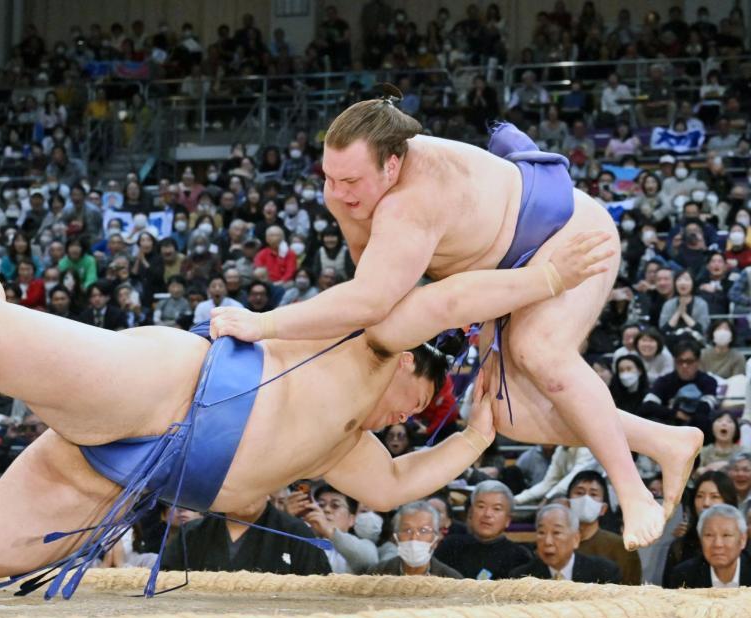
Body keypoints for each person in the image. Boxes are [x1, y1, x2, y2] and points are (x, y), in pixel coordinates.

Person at [0, 172, 606, 598]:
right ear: (413, 366)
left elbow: (396, 489)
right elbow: (454, 297)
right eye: (420, 401)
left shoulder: (346, 445)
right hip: (167, 388)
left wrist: (472, 435)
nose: (406, 418)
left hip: (130, 473)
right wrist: (542, 279)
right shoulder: (369, 334)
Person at [210, 95, 702, 550]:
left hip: (567, 236)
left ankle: (634, 491)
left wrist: (265, 324)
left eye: (351, 181)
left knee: (539, 350)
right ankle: (665, 441)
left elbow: (371, 299)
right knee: (506, 412)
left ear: (393, 164)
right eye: (329, 177)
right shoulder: (353, 193)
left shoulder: (413, 201)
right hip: (496, 274)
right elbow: (376, 284)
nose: (336, 192)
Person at [159, 494, 330, 575]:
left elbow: (321, 592)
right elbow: (165, 585)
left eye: (257, 482)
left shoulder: (296, 533)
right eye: (242, 483)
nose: (249, 492)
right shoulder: (191, 534)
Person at [435, 481, 532, 580]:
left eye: (496, 509)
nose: (487, 514)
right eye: (481, 506)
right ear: (471, 512)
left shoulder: (519, 556)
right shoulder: (450, 546)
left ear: (508, 520)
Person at [511, 504, 621, 583]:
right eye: (541, 532)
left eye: (556, 533)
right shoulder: (521, 578)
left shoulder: (603, 573)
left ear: (575, 539)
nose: (548, 542)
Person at [662, 470, 737, 585]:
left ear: (728, 501)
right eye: (700, 496)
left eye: (714, 496)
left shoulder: (743, 546)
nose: (706, 503)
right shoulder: (679, 547)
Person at [566, 470, 641, 584]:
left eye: (593, 494)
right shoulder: (557, 543)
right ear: (567, 503)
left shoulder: (621, 546)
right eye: (580, 493)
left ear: (603, 509)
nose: (586, 499)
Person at [366, 500, 461, 578]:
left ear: (436, 540)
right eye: (407, 530)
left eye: (424, 531)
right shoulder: (376, 574)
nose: (414, 538)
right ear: (396, 537)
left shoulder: (451, 579)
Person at [665, 504, 751, 588]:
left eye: (726, 535)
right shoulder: (683, 576)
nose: (718, 544)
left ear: (743, 540)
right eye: (709, 535)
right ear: (700, 539)